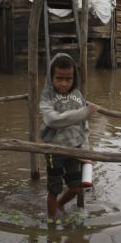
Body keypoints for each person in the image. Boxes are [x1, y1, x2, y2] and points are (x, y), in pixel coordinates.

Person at [39, 53, 98, 218]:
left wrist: (85, 151)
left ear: (74, 78)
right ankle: (51, 222)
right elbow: (52, 121)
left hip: (74, 149)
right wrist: (83, 113)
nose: (64, 83)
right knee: (54, 189)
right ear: (51, 78)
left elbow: (84, 127)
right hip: (54, 151)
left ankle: (59, 206)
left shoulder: (78, 96)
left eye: (68, 79)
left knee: (76, 188)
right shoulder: (47, 97)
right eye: (59, 78)